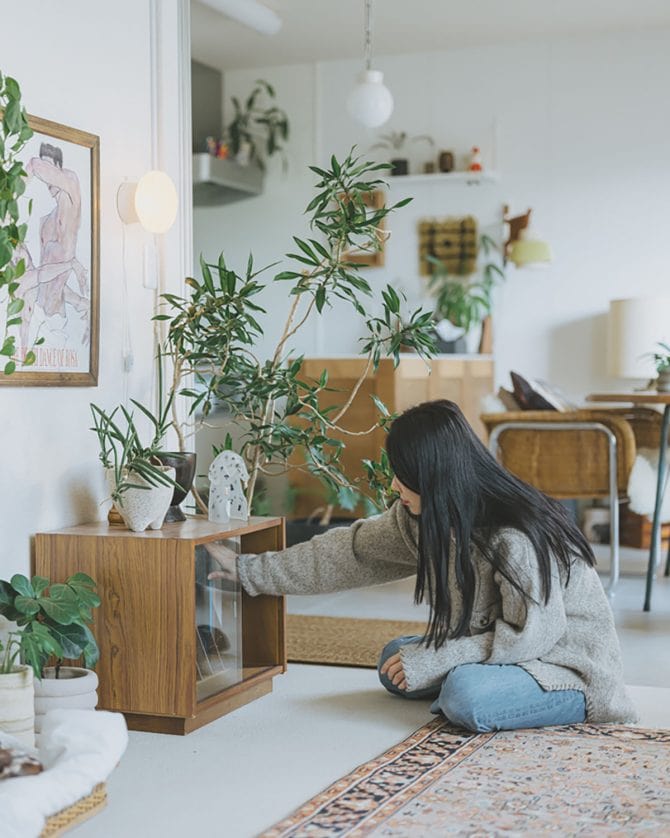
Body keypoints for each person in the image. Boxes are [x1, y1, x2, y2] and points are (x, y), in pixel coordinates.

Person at [213, 399, 636, 733]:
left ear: (435, 474)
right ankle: (463, 673)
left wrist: (440, 657)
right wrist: (250, 571)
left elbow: (533, 637)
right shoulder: (424, 517)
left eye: (403, 474)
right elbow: (351, 552)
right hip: (510, 650)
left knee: (465, 696)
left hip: (566, 666)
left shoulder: (513, 538)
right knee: (393, 661)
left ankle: (492, 686)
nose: (395, 485)